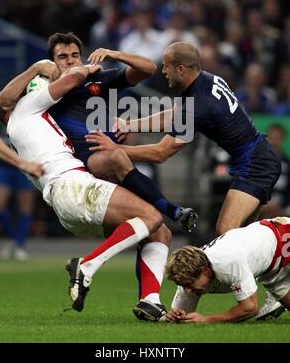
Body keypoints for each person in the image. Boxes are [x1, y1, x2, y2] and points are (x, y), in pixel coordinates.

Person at [0, 33, 197, 321]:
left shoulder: (30, 120)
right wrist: (51, 67)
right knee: (151, 215)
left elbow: (4, 102)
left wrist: (122, 124)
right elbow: (7, 98)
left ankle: (150, 300)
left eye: (74, 56)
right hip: (74, 183)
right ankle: (88, 265)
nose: (69, 61)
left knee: (158, 231)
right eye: (61, 58)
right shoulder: (31, 106)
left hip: (68, 200)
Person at [85, 40, 281, 319]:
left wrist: (115, 149)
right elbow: (176, 116)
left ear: (180, 68)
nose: (162, 71)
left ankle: (253, 299)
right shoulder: (206, 82)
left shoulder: (199, 103)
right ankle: (274, 292)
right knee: (246, 239)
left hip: (255, 163)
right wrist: (131, 124)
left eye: (166, 66)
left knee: (228, 230)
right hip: (254, 158)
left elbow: (161, 152)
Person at [164, 217, 290, 324]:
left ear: (205, 271)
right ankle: (275, 301)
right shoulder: (189, 276)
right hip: (271, 273)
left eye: (189, 284)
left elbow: (250, 308)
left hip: (284, 236)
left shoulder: (227, 261)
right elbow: (183, 316)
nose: (187, 290)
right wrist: (175, 317)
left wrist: (206, 319)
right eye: (182, 285)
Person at [0, 125, 43, 268]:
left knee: (25, 208)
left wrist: (25, 163)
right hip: (3, 166)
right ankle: (13, 238)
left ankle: (20, 245)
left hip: (23, 165)